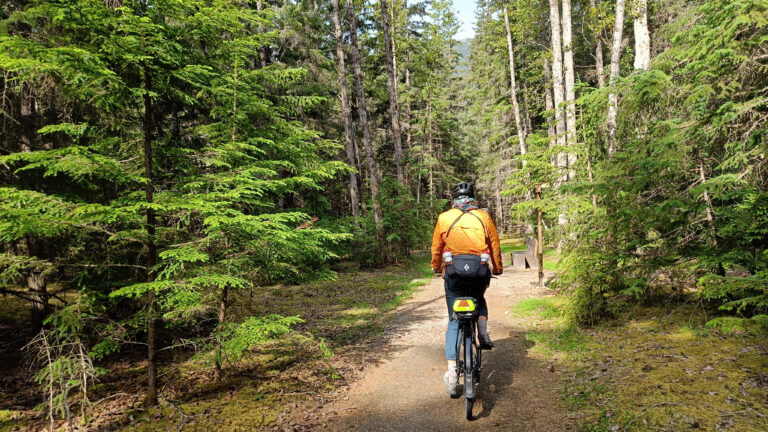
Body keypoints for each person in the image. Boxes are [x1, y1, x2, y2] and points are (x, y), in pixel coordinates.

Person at [430, 181, 503, 396]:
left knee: (454, 319)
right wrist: (497, 268)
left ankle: (452, 373)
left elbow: (437, 247)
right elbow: (494, 244)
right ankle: (482, 333)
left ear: (453, 199)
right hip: (479, 270)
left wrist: (436, 267)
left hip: (453, 271)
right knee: (478, 296)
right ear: (473, 198)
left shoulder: (444, 218)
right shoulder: (483, 217)